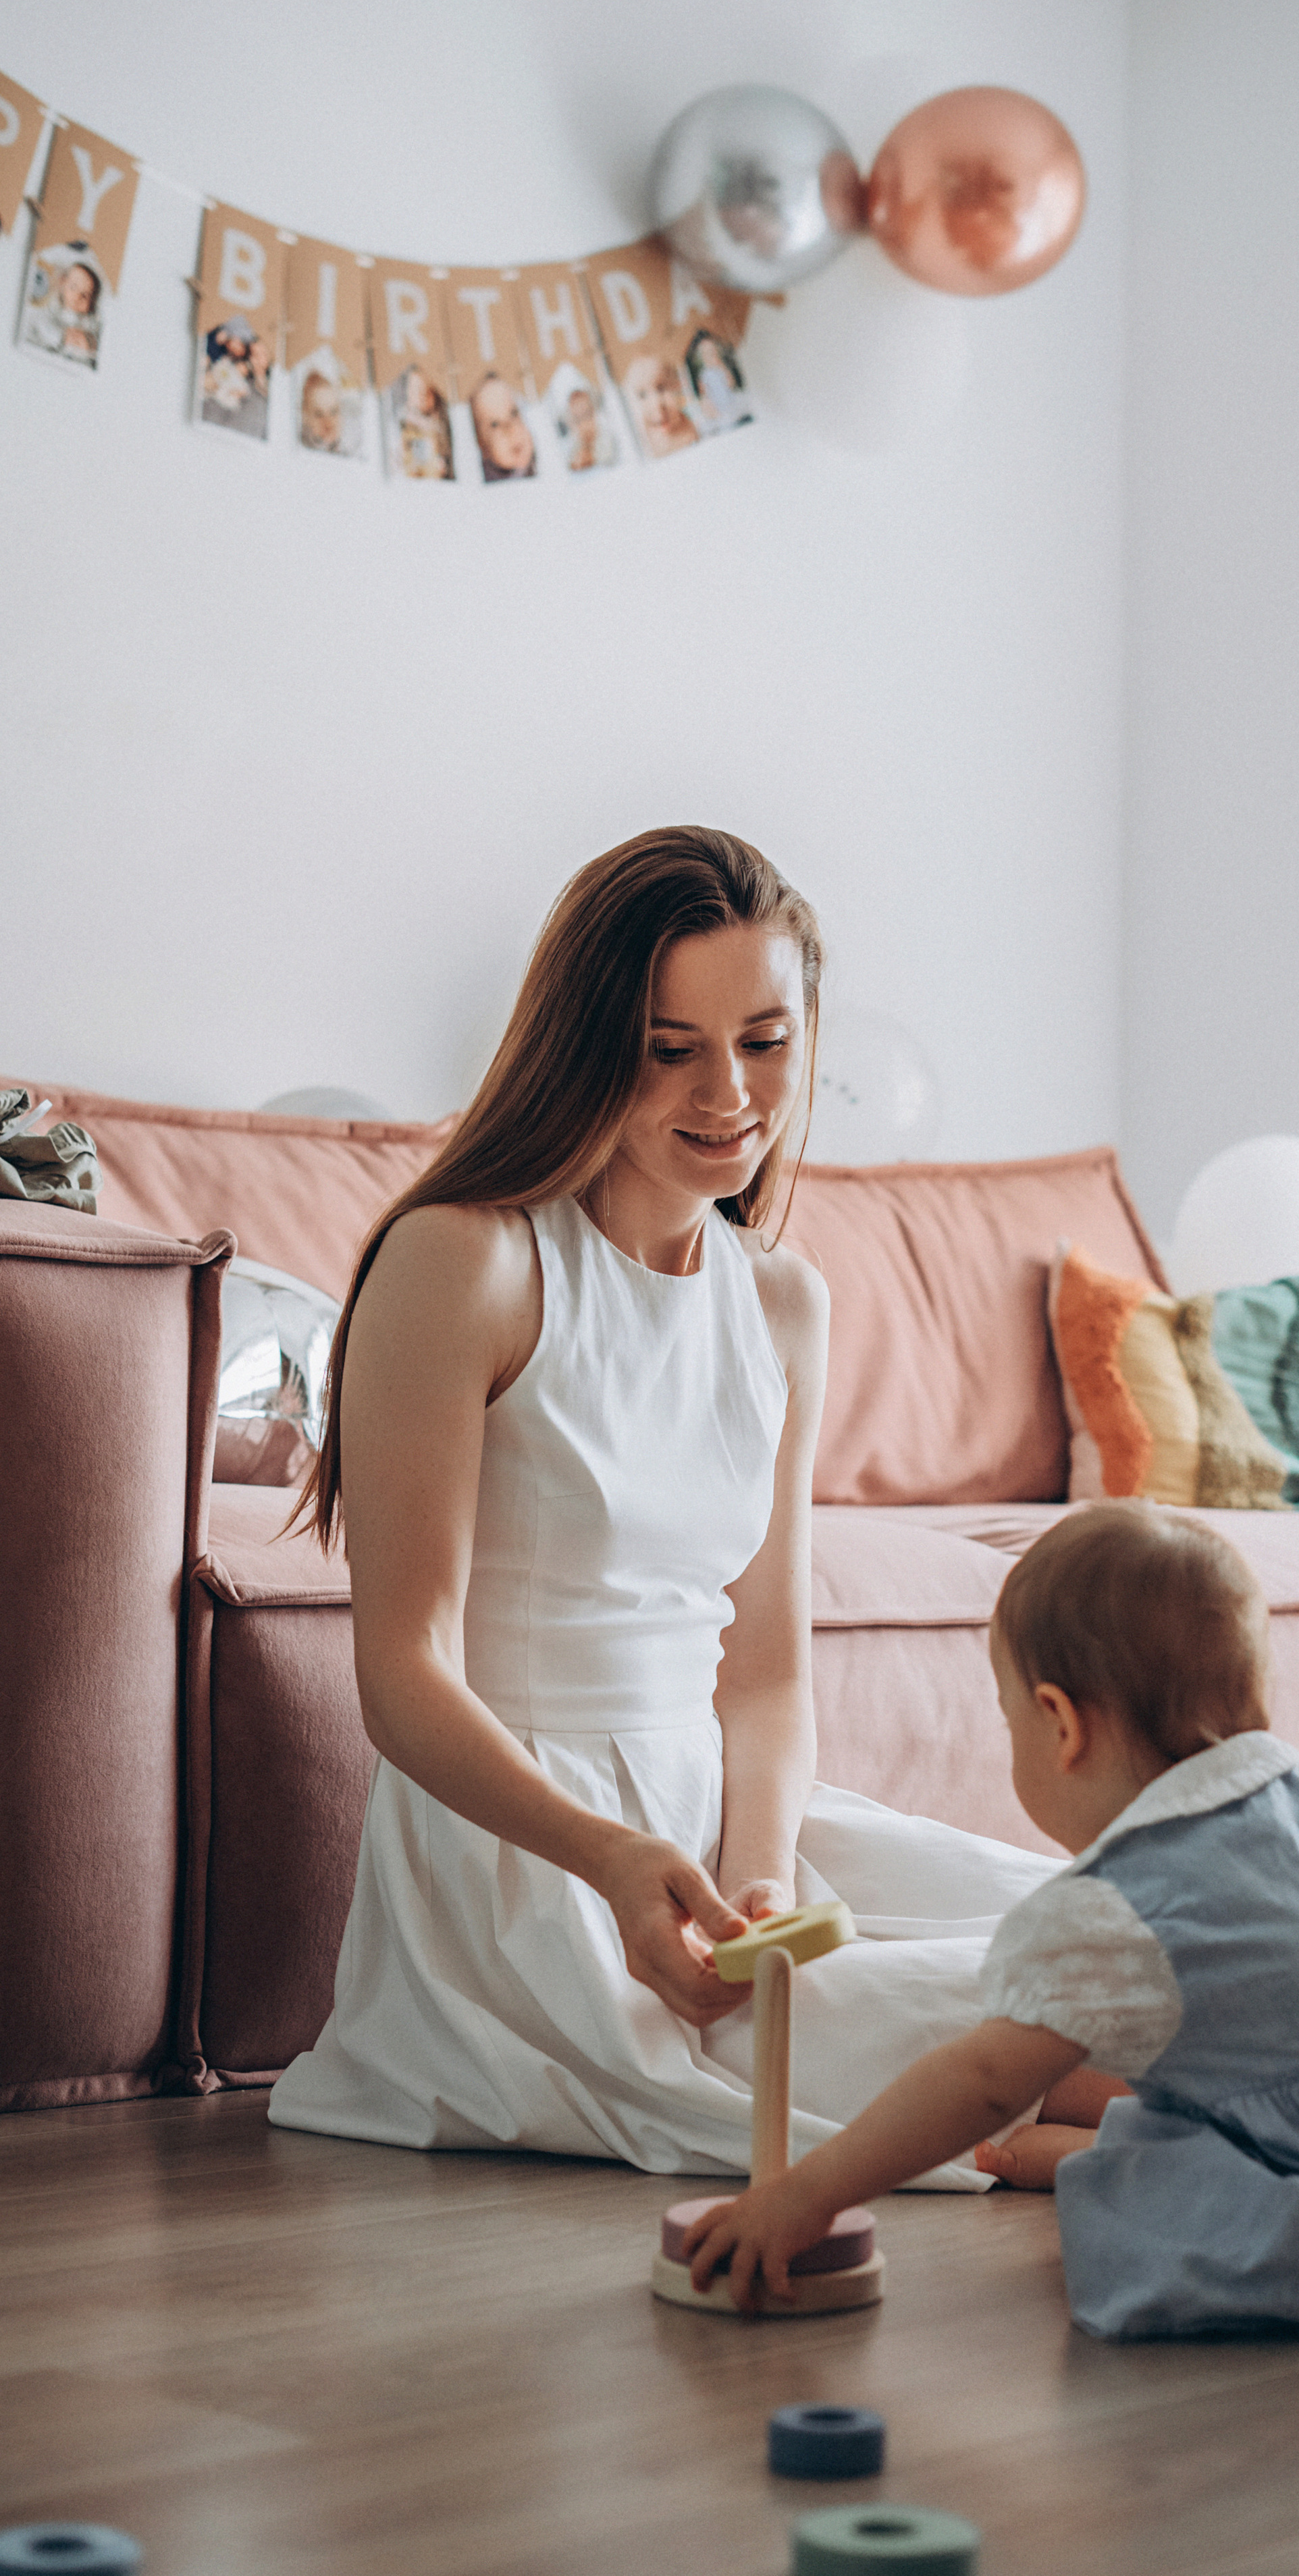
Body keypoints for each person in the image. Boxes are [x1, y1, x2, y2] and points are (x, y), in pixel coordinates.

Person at [269, 828, 1061, 2180]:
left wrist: (759, 1878)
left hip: (713, 1819)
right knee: (1053, 2038)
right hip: (530, 1861)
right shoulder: (464, 1264)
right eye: (669, 1047)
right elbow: (403, 1681)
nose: (729, 1094)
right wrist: (617, 1862)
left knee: (1140, 1943)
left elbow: (764, 1676)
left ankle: (1210, 2159)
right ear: (586, 1046)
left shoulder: (784, 1302)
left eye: (765, 1041)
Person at [687, 1503, 1299, 2336]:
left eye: (1010, 1722)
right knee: (1207, 2099)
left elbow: (984, 2080)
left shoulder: (1115, 1907)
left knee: (1136, 2212)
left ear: (1061, 1724)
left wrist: (802, 2197)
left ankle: (1094, 2165)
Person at [22, 246, 102, 366]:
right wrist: (61, 337)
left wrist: (90, 344)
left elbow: (97, 344)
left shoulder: (89, 322)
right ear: (62, 283)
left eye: (85, 295)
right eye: (73, 287)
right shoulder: (53, 308)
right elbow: (40, 324)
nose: (78, 297)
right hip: (53, 344)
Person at [623, 350, 699, 458]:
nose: (657, 404)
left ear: (678, 386)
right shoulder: (639, 447)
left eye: (661, 388)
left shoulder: (695, 427)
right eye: (642, 395)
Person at [471, 369, 537, 481]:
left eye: (514, 413)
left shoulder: (542, 462)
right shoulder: (488, 480)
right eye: (495, 424)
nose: (510, 430)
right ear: (482, 444)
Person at [685, 328, 751, 434]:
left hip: (730, 401)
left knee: (737, 414)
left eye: (713, 352)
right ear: (702, 357)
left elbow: (731, 384)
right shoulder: (704, 375)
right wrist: (707, 404)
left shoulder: (721, 369)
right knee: (724, 422)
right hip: (717, 405)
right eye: (707, 354)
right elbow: (704, 393)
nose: (711, 357)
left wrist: (723, 367)